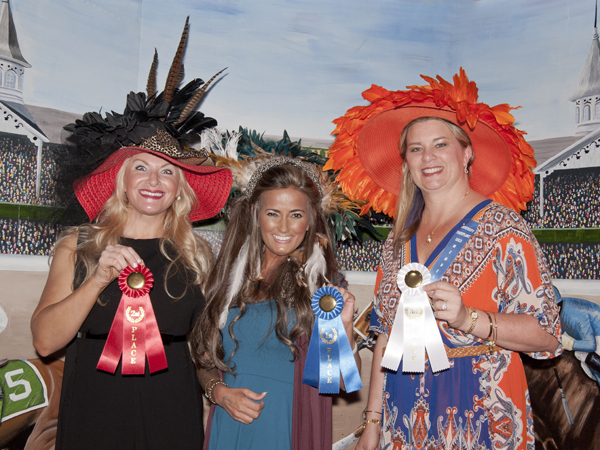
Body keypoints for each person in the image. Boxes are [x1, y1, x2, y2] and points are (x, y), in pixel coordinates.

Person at [327, 69, 562, 450]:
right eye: (416, 149)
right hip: (403, 411)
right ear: (405, 162)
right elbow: (387, 338)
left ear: (466, 152)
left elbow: (546, 333)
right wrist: (371, 424)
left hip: (482, 408)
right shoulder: (398, 238)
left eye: (441, 144)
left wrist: (467, 318)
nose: (428, 158)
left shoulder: (505, 228)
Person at [30, 22, 232, 450]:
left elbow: (208, 348)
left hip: (171, 405)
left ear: (181, 187)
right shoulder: (78, 246)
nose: (153, 180)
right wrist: (98, 279)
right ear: (121, 180)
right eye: (141, 167)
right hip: (94, 402)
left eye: (167, 171)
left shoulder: (197, 255)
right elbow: (45, 341)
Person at [190, 156, 361, 450]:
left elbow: (343, 383)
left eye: (296, 214)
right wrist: (219, 393)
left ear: (310, 220)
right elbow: (204, 359)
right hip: (230, 425)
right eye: (273, 213)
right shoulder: (229, 278)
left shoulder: (324, 287)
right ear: (256, 214)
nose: (284, 226)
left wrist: (344, 327)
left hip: (288, 428)